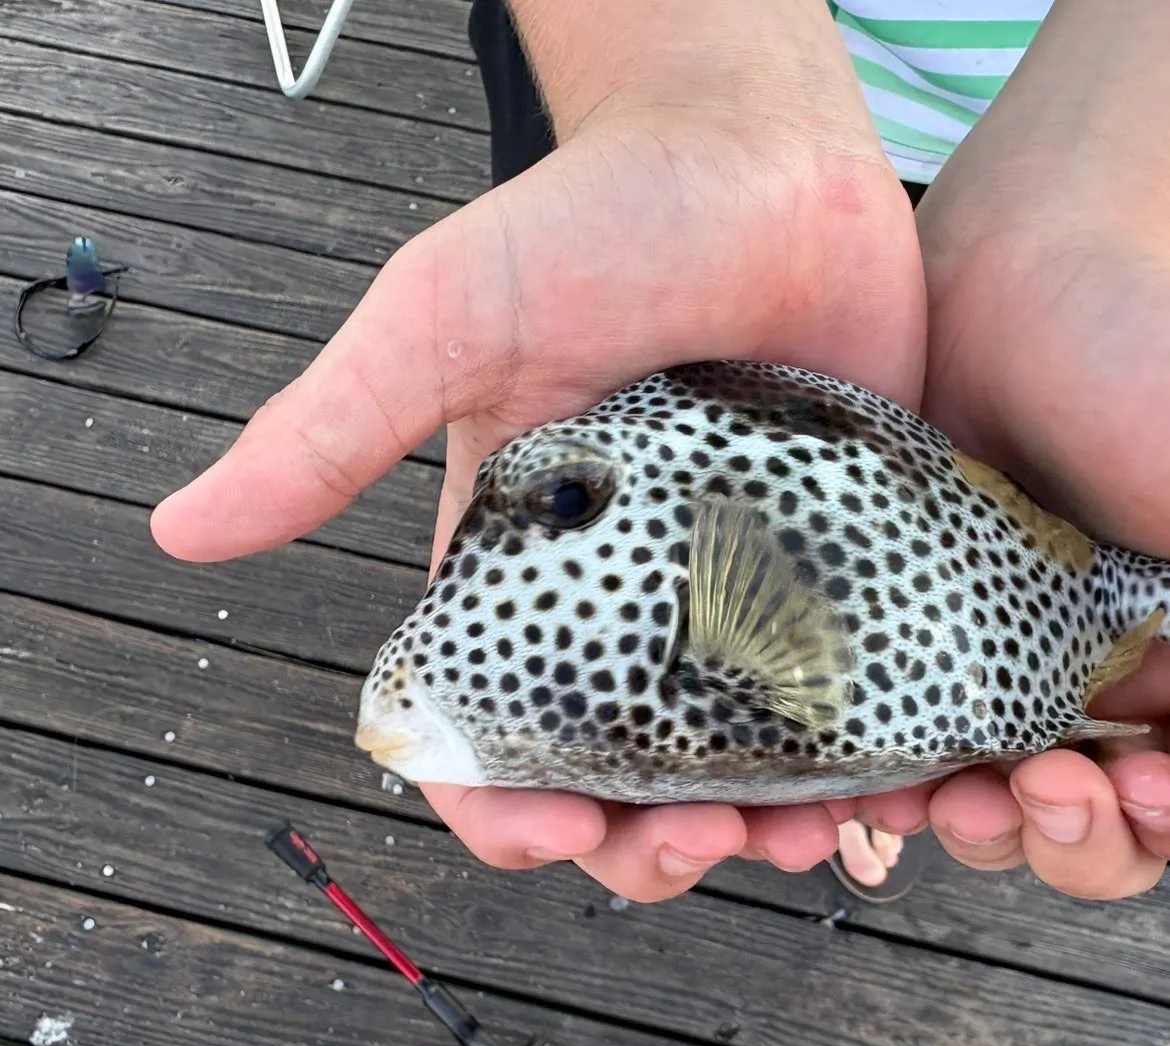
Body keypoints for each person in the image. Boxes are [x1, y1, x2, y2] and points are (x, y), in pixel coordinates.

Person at [150, 0, 1170, 905]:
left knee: (887, 758)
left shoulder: (717, 613)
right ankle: (841, 774)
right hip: (634, 74)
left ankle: (848, 774)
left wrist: (1096, 192)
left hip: (1114, 131)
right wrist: (686, 85)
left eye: (565, 502)